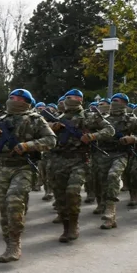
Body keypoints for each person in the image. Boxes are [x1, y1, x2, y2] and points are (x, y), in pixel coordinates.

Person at [0, 89, 56, 262]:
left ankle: (15, 244)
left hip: (23, 167)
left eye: (17, 98)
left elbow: (51, 140)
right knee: (4, 208)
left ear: (26, 102)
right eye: (11, 97)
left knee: (14, 202)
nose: (13, 100)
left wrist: (28, 145)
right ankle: (8, 241)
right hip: (2, 168)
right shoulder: (0, 121)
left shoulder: (35, 120)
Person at [47, 89, 114, 242]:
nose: (72, 100)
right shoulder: (57, 118)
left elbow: (110, 130)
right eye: (69, 98)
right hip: (59, 161)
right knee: (60, 196)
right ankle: (66, 226)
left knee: (72, 191)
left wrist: (93, 136)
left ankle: (73, 225)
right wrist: (51, 127)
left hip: (80, 160)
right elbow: (43, 136)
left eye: (76, 98)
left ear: (81, 101)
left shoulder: (90, 117)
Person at [93, 93, 137, 228]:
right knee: (104, 183)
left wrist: (133, 139)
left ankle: (110, 212)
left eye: (118, 101)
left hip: (121, 154)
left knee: (113, 175)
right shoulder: (104, 119)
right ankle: (110, 216)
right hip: (103, 154)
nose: (115, 103)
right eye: (113, 101)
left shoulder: (132, 120)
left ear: (125, 104)